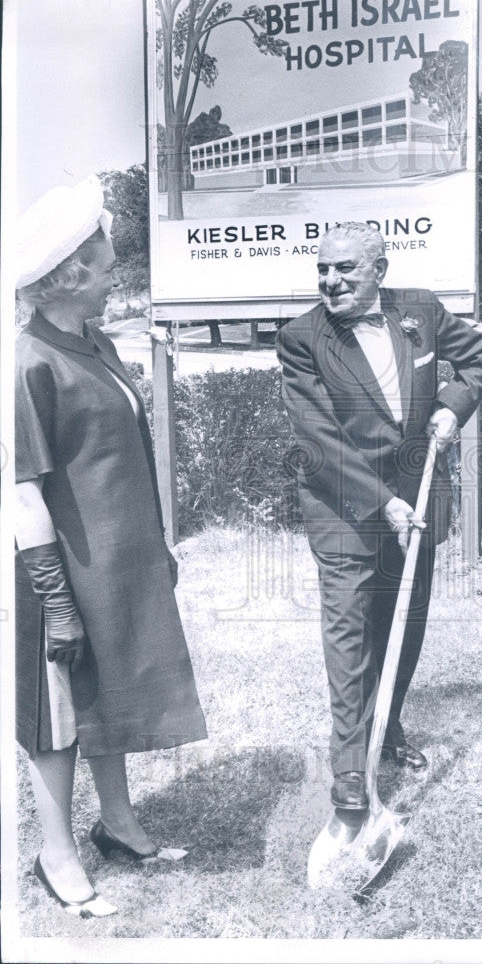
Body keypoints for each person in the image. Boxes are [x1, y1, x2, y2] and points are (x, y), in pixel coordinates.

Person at [15, 176, 207, 918]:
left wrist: (153, 545)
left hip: (116, 562)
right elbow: (22, 490)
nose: (113, 278)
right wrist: (55, 601)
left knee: (112, 689)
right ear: (67, 277)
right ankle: (54, 854)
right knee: (58, 717)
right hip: (58, 570)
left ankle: (119, 825)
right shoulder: (27, 362)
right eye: (103, 268)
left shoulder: (91, 339)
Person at [277, 222, 482, 811]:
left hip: (418, 501)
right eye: (322, 269)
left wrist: (453, 406)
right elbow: (318, 440)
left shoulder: (419, 311)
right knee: (349, 633)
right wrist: (382, 502)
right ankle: (350, 771)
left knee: (405, 619)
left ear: (380, 271)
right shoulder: (301, 338)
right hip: (344, 507)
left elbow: (478, 356)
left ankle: (388, 723)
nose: (330, 280)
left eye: (344, 268)